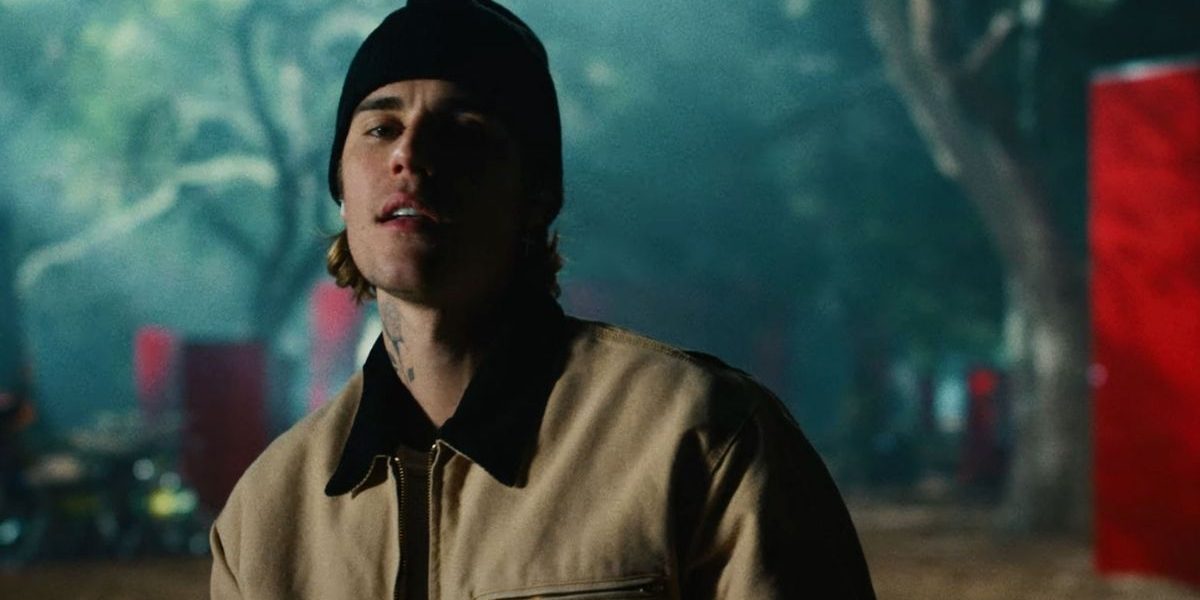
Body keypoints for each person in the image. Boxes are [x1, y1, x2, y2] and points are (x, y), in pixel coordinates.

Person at [209, 1, 876, 598]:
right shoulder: (266, 516)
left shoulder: (699, 437)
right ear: (341, 188)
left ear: (538, 196)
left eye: (462, 128)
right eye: (380, 128)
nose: (409, 154)